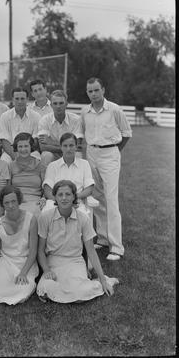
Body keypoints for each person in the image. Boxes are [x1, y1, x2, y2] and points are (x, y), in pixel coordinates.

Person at [76, 77, 132, 261]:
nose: (93, 94)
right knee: (96, 197)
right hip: (92, 154)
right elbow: (80, 134)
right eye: (90, 91)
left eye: (96, 90)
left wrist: (114, 151)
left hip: (110, 155)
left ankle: (116, 247)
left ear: (103, 90)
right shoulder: (85, 111)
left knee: (111, 199)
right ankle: (102, 238)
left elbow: (126, 134)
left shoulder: (114, 109)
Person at [37, 180, 119, 303]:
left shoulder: (83, 218)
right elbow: (40, 251)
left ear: (74, 196)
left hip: (74, 261)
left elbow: (91, 251)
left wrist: (101, 278)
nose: (64, 198)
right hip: (53, 261)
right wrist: (47, 270)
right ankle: (81, 285)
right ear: (55, 197)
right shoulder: (45, 217)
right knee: (44, 290)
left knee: (78, 295)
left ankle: (104, 282)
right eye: (60, 195)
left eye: (68, 194)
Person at [0, 185, 39, 305]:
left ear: (19, 201)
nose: (10, 206)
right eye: (7, 203)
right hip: (5, 262)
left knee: (22, 289)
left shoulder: (31, 220)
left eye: (13, 201)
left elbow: (33, 252)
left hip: (25, 263)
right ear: (2, 204)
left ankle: (24, 282)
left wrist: (23, 273)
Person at [42, 133, 96, 214]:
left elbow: (89, 188)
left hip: (77, 201)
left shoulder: (84, 164)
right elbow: (47, 189)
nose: (68, 149)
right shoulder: (52, 166)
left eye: (71, 145)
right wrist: (60, 201)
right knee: (46, 213)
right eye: (65, 146)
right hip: (56, 202)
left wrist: (73, 198)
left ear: (76, 146)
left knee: (82, 214)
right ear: (61, 147)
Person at [37, 89, 82, 167]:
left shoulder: (76, 120)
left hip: (71, 154)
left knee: (78, 155)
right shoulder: (44, 120)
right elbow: (43, 147)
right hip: (53, 154)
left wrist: (52, 142)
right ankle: (46, 179)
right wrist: (67, 146)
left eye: (61, 103)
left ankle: (75, 179)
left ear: (66, 104)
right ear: (51, 105)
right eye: (55, 103)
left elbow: (77, 145)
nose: (58, 106)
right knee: (46, 155)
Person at [0, 87, 40, 163]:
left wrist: (25, 154)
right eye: (17, 99)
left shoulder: (36, 116)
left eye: (22, 98)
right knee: (4, 162)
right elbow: (4, 141)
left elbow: (35, 141)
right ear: (13, 99)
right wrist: (15, 156)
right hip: (10, 152)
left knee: (37, 161)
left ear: (27, 99)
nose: (20, 101)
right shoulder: (5, 116)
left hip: (31, 151)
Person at [9, 132, 46, 216]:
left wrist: (43, 198)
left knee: (34, 213)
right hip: (16, 200)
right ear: (16, 148)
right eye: (20, 146)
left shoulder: (40, 165)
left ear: (31, 147)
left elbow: (45, 187)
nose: (23, 149)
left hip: (35, 200)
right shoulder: (11, 166)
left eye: (26, 146)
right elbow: (8, 188)